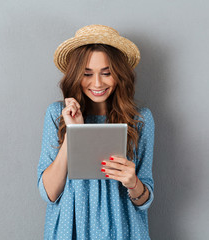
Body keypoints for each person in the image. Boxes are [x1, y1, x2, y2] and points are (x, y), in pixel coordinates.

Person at [37, 24, 155, 240]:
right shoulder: (57, 114)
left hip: (123, 229)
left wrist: (133, 183)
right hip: (71, 229)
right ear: (75, 76)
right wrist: (73, 132)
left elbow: (144, 200)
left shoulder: (140, 119)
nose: (97, 83)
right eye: (87, 74)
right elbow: (49, 193)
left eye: (107, 73)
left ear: (119, 74)